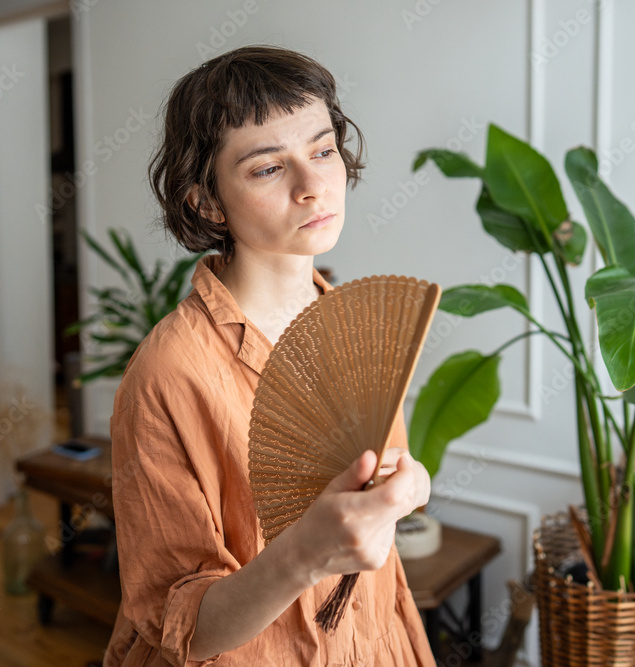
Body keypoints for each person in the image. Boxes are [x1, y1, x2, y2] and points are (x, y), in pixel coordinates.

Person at [103, 45, 437, 666]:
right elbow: (183, 630)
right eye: (266, 169)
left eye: (322, 150)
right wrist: (305, 552)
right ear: (205, 201)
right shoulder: (169, 373)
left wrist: (404, 493)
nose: (314, 186)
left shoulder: (357, 331)